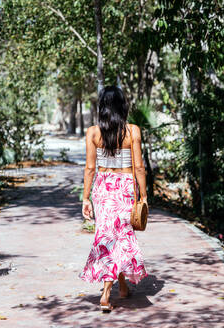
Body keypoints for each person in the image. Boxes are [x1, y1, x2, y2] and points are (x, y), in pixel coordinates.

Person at [79, 86, 148, 312]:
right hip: (125, 188)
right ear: (122, 106)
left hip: (103, 188)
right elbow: (139, 166)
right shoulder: (132, 131)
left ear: (102, 107)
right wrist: (144, 196)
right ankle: (107, 293)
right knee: (118, 236)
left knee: (109, 234)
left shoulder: (93, 132)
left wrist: (86, 198)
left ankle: (122, 286)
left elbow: (90, 168)